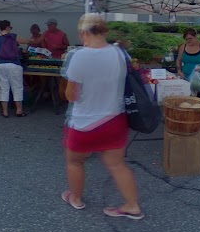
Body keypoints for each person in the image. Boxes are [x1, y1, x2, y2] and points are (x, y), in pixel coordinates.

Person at [60, 13, 143, 221]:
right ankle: (132, 206)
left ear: (82, 33)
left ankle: (76, 198)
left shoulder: (79, 56)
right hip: (114, 119)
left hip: (84, 123)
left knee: (75, 162)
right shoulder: (119, 53)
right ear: (105, 31)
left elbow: (71, 95)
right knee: (117, 165)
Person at [0, 20, 26, 118]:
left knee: (3, 88)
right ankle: (19, 110)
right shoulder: (13, 37)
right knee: (17, 87)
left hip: (1, 65)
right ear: (7, 27)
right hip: (14, 65)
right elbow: (26, 41)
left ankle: (5, 112)